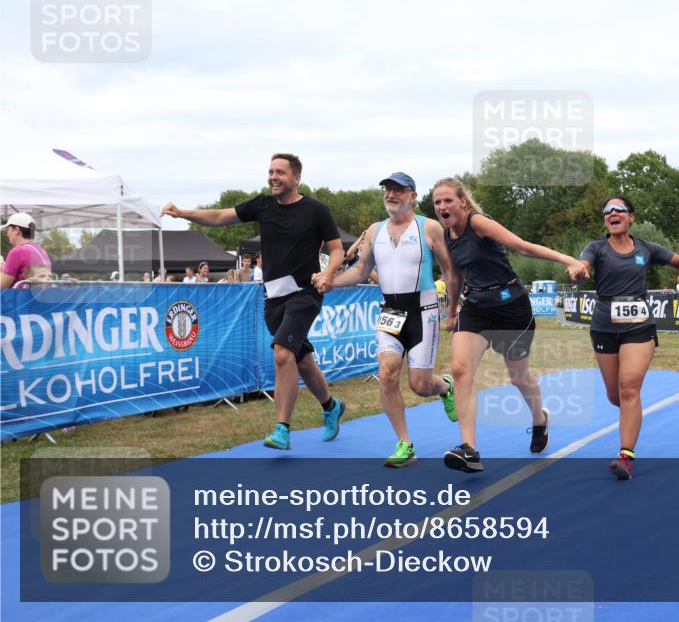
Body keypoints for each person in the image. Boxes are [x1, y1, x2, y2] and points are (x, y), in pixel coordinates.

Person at [162, 152, 346, 450]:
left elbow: (337, 250)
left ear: (296, 178)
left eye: (280, 172)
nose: (273, 177)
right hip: (272, 298)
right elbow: (221, 216)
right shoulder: (262, 205)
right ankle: (331, 406)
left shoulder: (316, 210)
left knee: (283, 354)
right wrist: (183, 213)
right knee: (302, 361)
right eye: (270, 171)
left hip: (304, 294)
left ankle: (281, 429)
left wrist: (328, 271)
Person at [431, 177, 589, 473]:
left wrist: (567, 260)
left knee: (518, 377)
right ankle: (469, 450)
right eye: (437, 202)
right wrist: (452, 311)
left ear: (462, 202)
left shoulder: (478, 223)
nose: (442, 206)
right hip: (476, 306)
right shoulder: (447, 235)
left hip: (511, 307)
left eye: (447, 200)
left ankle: (539, 419)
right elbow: (454, 277)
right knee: (461, 370)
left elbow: (522, 247)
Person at [327, 172, 460, 467]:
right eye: (387, 190)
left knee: (419, 385)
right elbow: (361, 271)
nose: (391, 195)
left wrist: (452, 309)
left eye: (398, 190)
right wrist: (331, 281)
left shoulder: (430, 228)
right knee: (387, 372)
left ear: (412, 195)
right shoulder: (374, 231)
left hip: (423, 309)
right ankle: (405, 444)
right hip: (391, 310)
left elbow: (449, 270)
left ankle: (445, 387)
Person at [576, 196, 679, 480]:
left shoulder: (646, 248)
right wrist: (580, 272)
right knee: (616, 395)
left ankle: (625, 456)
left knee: (629, 388)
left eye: (619, 209)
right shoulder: (596, 248)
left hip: (639, 327)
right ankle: (631, 411)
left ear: (631, 217)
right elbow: (583, 266)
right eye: (607, 211)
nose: (612, 213)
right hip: (604, 327)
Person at [1, 213, 51, 289]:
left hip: (21, 299)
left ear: (17, 230)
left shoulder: (17, 252)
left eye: (8, 230)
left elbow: (2, 286)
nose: (7, 233)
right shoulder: (40, 249)